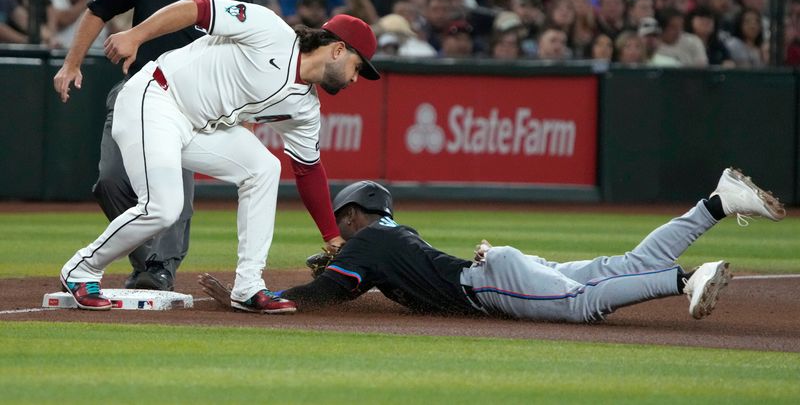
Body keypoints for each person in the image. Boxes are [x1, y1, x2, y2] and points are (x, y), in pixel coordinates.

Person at [59, 0, 381, 313]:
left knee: (264, 167)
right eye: (357, 67)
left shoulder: (306, 108)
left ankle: (248, 286)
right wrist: (136, 35)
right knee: (163, 207)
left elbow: (308, 171)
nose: (356, 78)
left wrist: (332, 237)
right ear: (338, 50)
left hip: (198, 127)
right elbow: (196, 8)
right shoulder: (270, 30)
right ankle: (82, 269)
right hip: (156, 98)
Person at [201, 169, 785, 322]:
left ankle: (684, 279)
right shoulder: (384, 240)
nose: (335, 227)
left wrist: (253, 297)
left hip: (490, 284)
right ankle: (717, 202)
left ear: (353, 214)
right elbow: (357, 275)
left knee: (582, 303)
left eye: (339, 217)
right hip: (505, 269)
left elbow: (325, 295)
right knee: (624, 265)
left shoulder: (367, 244)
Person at [52, 0, 253, 292]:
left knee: (172, 194)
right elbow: (98, 9)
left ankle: (160, 267)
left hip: (190, 108)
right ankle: (147, 260)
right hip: (135, 93)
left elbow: (242, 60)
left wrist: (237, 110)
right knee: (110, 182)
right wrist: (71, 63)